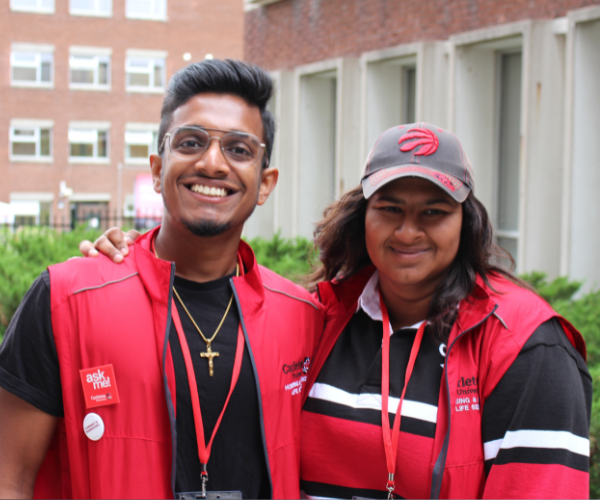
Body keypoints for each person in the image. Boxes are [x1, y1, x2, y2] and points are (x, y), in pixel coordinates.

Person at [84, 123, 592, 499]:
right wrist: (135, 256)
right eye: (390, 208)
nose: (408, 231)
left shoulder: (525, 345)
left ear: (467, 223)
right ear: (361, 215)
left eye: (433, 213)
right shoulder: (318, 319)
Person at [0, 59, 325, 499]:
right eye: (191, 142)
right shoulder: (67, 299)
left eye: (239, 149)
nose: (213, 163)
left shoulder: (304, 317)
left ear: (265, 183)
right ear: (156, 169)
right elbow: (10, 478)